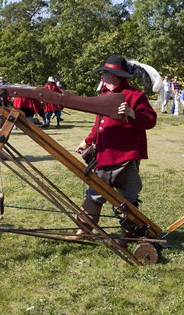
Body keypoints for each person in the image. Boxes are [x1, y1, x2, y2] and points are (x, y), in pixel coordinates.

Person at [67, 54, 157, 241]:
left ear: (114, 76)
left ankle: (128, 235)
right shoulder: (104, 96)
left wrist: (131, 113)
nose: (102, 78)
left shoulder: (135, 96)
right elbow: (99, 125)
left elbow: (150, 121)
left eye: (104, 74)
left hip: (125, 157)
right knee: (93, 195)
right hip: (103, 155)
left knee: (127, 200)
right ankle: (84, 232)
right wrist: (88, 140)